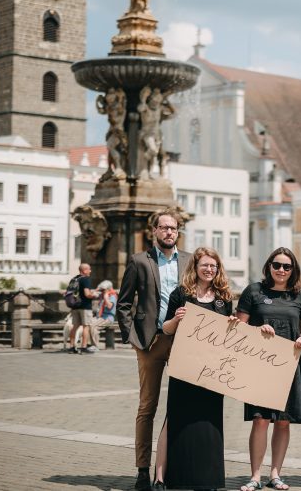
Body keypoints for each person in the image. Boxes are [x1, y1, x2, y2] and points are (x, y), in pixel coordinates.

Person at [116, 210, 192, 491]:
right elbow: (124, 303)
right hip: (150, 341)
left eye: (173, 228)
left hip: (183, 341)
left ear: (178, 231)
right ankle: (142, 470)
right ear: (155, 231)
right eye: (163, 228)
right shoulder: (139, 261)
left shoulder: (188, 261)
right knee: (147, 406)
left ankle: (173, 466)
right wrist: (132, 337)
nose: (168, 232)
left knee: (182, 404)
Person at [160, 247, 237, 490]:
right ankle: (162, 477)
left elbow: (229, 334)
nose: (209, 269)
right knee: (176, 418)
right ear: (195, 266)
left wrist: (233, 325)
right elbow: (166, 329)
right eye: (205, 265)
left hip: (213, 370)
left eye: (213, 266)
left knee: (209, 422)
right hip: (185, 368)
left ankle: (207, 478)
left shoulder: (223, 298)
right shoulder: (181, 294)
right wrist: (176, 319)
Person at [237, 248, 301, 491]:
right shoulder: (254, 291)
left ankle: (275, 474)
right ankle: (255, 476)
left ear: (293, 270)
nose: (281, 270)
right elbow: (238, 328)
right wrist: (257, 330)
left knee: (283, 421)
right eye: (277, 265)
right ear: (269, 266)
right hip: (260, 364)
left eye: (287, 266)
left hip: (290, 365)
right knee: (261, 420)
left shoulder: (299, 297)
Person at [69, 263, 97, 354]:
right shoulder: (85, 279)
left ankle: (72, 347)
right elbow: (87, 294)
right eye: (89, 269)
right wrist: (95, 295)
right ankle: (84, 347)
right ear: (84, 270)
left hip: (75, 306)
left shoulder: (74, 279)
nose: (90, 271)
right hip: (85, 307)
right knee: (86, 326)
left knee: (75, 327)